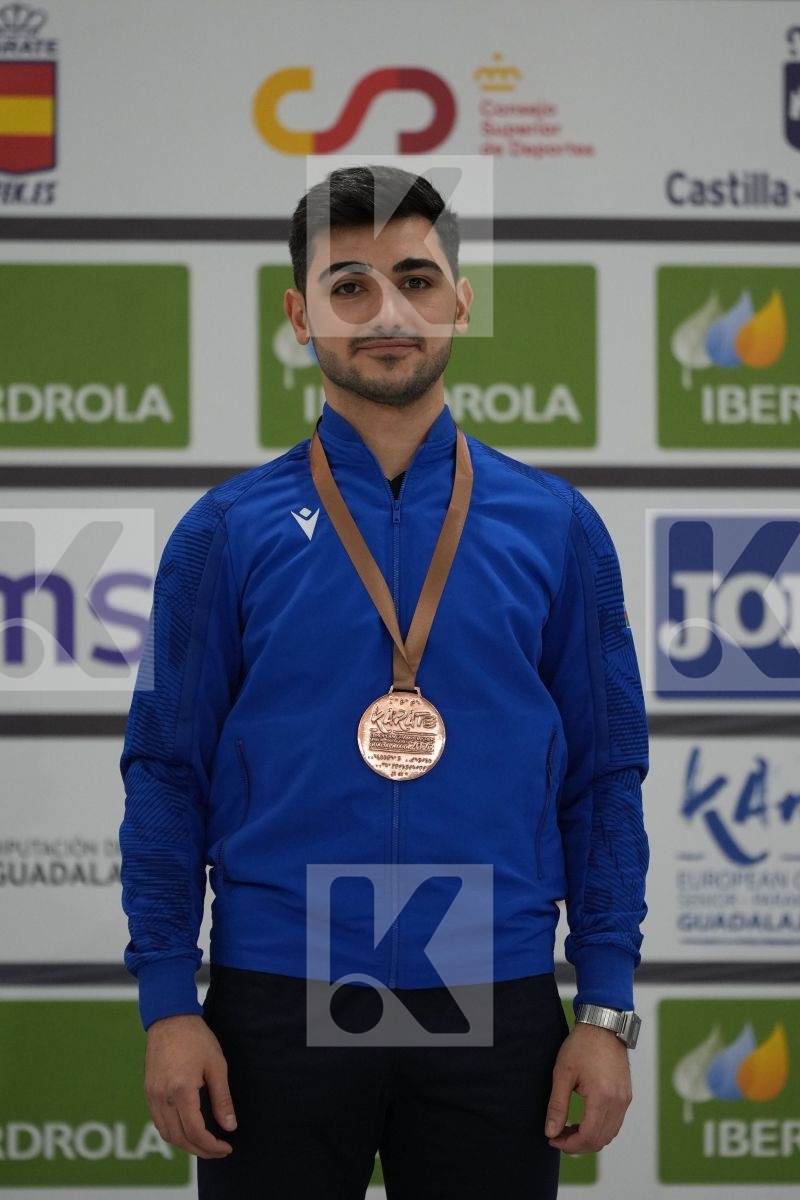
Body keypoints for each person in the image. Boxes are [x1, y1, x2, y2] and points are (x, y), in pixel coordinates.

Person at [119, 164, 649, 1200]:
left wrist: (604, 1008)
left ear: (461, 299)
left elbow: (602, 780)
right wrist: (166, 1002)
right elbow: (166, 776)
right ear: (297, 314)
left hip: (490, 995)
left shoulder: (556, 527)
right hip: (275, 997)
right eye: (348, 285)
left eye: (414, 278)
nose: (386, 311)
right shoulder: (225, 531)